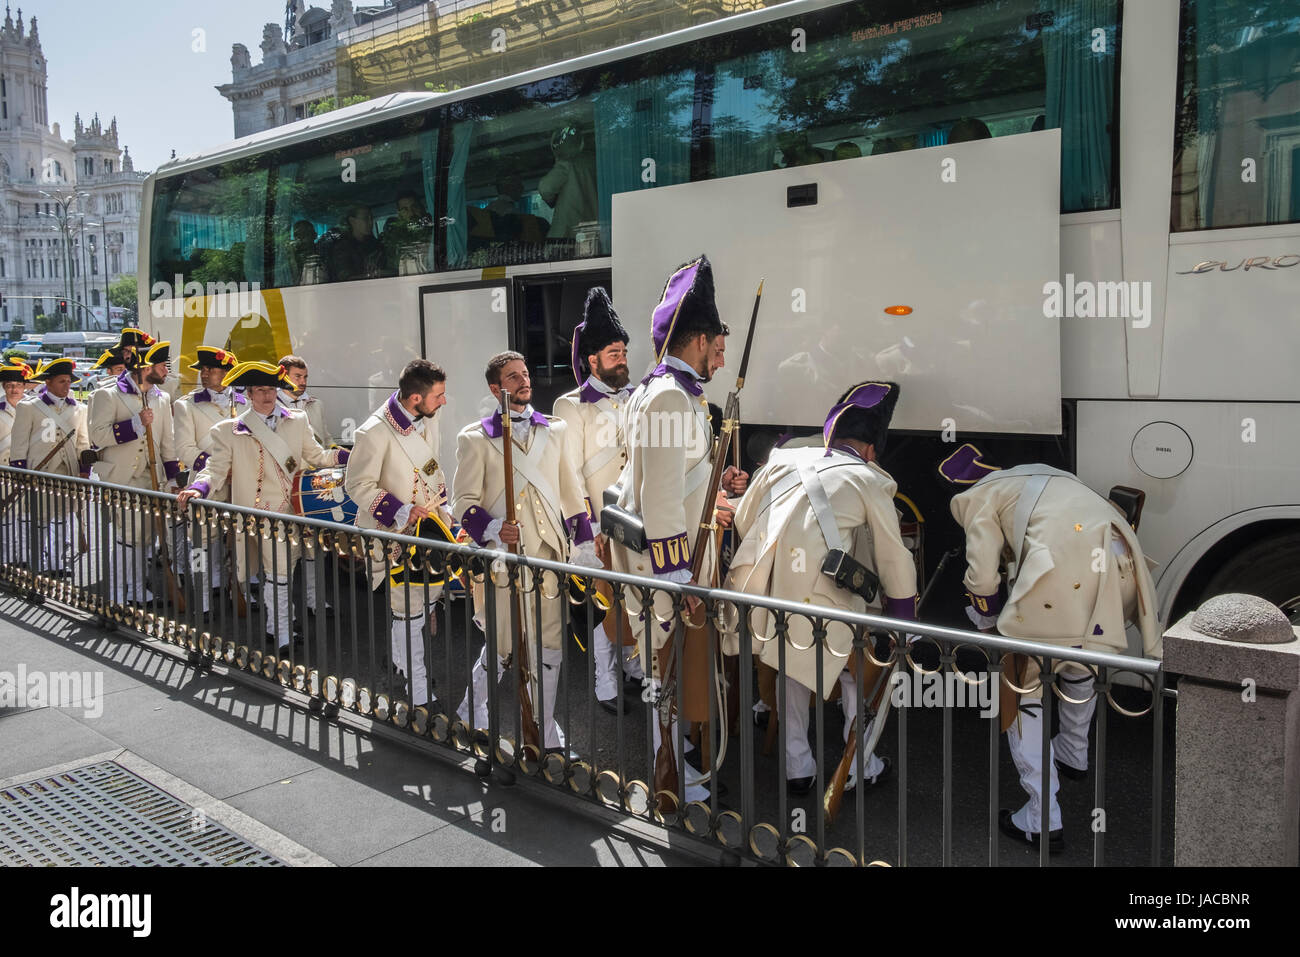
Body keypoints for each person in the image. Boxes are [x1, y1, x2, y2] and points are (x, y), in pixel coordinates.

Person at [940, 443, 1161, 853]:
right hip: (1121, 571)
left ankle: (1042, 818)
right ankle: (1074, 753)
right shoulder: (1051, 481)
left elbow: (984, 577)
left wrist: (988, 624)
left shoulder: (978, 496)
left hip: (1062, 579)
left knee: (1022, 687)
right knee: (1081, 658)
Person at [726, 382, 917, 795]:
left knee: (790, 669)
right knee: (854, 675)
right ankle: (858, 766)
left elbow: (744, 522)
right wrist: (904, 622)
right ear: (870, 449)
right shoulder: (870, 478)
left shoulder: (781, 459)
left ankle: (798, 767)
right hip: (828, 603)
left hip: (768, 592)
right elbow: (894, 557)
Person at [607, 255, 747, 803]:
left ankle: (678, 756)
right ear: (696, 340)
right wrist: (677, 579)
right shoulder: (668, 395)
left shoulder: (675, 390)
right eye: (717, 342)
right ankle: (670, 773)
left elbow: (679, 477)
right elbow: (662, 497)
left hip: (682, 556)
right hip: (671, 566)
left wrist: (718, 480)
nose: (722, 353)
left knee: (673, 670)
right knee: (664, 670)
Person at [453, 350, 599, 755]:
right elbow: (461, 504)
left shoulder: (556, 430)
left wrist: (584, 545)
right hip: (503, 562)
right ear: (495, 388)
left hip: (548, 556)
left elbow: (572, 492)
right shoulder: (474, 438)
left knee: (550, 644)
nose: (523, 382)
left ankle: (541, 731)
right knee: (504, 648)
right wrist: (495, 529)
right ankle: (471, 709)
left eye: (525, 374)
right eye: (512, 377)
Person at [177, 362, 349, 655]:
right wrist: (198, 488)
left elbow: (316, 456)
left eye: (271, 389)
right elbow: (214, 469)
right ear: (249, 393)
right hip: (259, 515)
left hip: (293, 511)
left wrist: (350, 456)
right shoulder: (228, 431)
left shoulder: (297, 420)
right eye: (260, 390)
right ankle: (282, 632)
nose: (267, 396)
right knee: (279, 574)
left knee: (281, 573)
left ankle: (275, 626)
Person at [553, 288, 646, 715]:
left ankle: (633, 670)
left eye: (624, 351)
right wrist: (585, 535)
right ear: (592, 360)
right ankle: (604, 683)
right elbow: (568, 474)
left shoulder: (636, 397)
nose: (622, 358)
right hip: (600, 526)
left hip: (639, 520)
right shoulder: (570, 407)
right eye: (614, 352)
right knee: (603, 604)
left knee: (637, 600)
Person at [345, 359, 451, 707]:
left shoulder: (429, 418)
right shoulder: (373, 431)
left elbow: (434, 470)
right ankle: (417, 688)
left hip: (430, 529)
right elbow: (357, 485)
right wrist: (401, 511)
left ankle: (403, 664)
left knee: (422, 606)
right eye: (438, 395)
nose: (444, 402)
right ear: (415, 399)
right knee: (408, 609)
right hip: (394, 535)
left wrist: (445, 510)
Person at [88, 343, 181, 609]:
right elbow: (97, 437)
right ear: (146, 367)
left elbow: (168, 442)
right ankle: (118, 591)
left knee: (147, 536)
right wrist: (134, 425)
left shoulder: (161, 398)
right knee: (128, 535)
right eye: (163, 366)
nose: (166, 372)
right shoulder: (108, 395)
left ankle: (138, 589)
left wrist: (173, 476)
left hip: (152, 477)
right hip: (122, 477)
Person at [172, 346, 245, 616]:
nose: (204, 374)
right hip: (207, 480)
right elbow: (184, 449)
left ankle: (239, 590)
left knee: (240, 540)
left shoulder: (244, 401)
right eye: (202, 370)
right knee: (201, 542)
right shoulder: (186, 405)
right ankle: (201, 595)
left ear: (226, 373)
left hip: (241, 482)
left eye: (211, 369)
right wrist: (220, 468)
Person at [9, 358, 92, 572]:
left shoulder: (79, 409)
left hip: (68, 473)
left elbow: (83, 443)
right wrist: (21, 475)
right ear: (48, 382)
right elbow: (19, 445)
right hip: (39, 473)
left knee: (63, 522)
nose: (67, 385)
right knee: (40, 522)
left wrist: (84, 472)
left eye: (68, 381)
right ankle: (38, 564)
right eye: (62, 381)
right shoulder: (29, 407)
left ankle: (58, 563)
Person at [538, 125, 598, 241]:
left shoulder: (567, 163)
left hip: (568, 234)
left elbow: (545, 188)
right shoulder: (597, 161)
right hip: (593, 231)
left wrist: (552, 200)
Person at [277, 354, 331, 446]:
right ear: (283, 377)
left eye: (305, 377)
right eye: (298, 376)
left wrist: (334, 449)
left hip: (317, 459)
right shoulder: (270, 406)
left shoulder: (316, 404)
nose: (303, 382)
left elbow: (326, 439)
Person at [327, 204, 384, 281]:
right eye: (365, 219)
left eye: (371, 218)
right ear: (352, 221)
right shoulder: (342, 248)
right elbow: (345, 278)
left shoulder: (375, 244)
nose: (371, 222)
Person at [379, 192, 434, 272]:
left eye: (414, 207)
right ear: (399, 214)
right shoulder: (394, 242)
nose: (411, 213)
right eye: (405, 209)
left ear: (421, 208)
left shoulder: (436, 231)